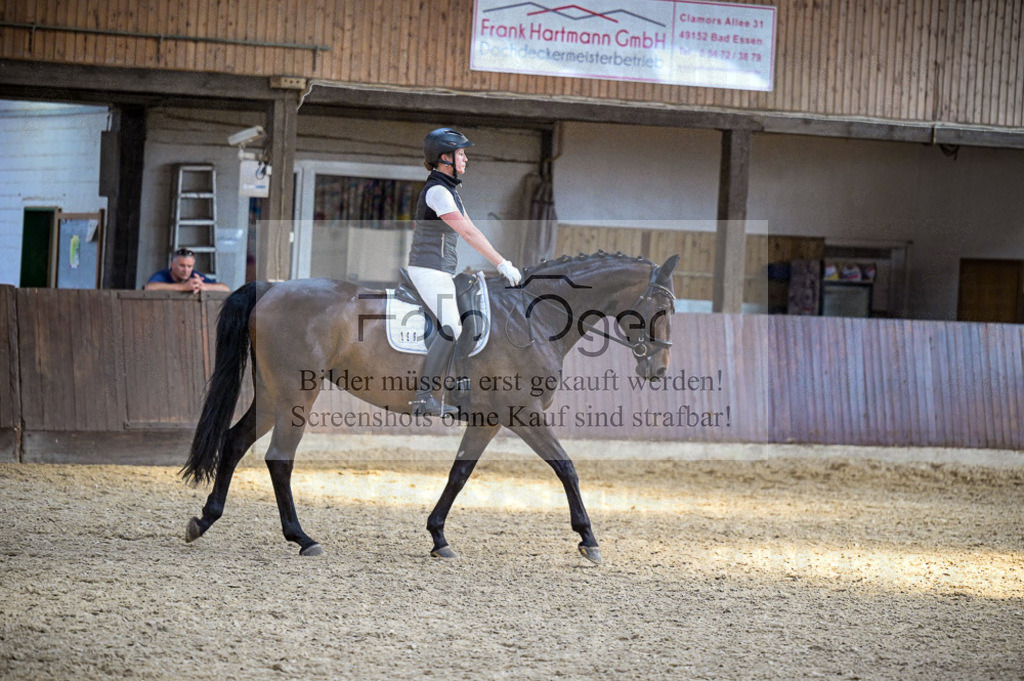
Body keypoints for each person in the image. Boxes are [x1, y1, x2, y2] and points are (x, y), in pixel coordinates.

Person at [408, 128, 522, 416]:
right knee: (452, 325)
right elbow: (468, 234)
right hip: (428, 269)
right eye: (461, 154)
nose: (466, 159)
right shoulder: (437, 191)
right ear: (444, 157)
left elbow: (474, 230)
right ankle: (424, 397)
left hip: (442, 270)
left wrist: (498, 261)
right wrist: (502, 263)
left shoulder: (450, 191)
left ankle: (459, 385)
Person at [144, 248, 230, 293]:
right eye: (182, 266)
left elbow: (225, 289)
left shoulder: (194, 275)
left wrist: (203, 286)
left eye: (189, 266)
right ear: (173, 265)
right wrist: (184, 287)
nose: (186, 270)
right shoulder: (162, 275)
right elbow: (149, 287)